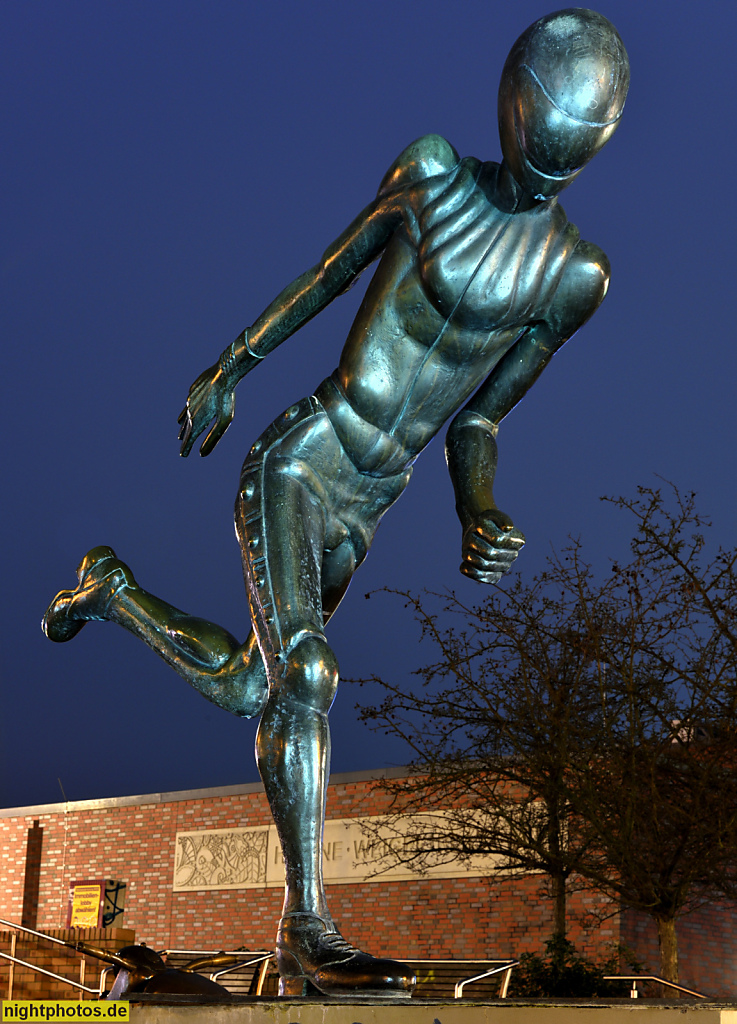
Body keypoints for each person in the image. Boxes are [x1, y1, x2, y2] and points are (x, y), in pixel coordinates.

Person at [43, 8, 629, 1000]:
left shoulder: (571, 276)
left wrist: (475, 509)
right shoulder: (432, 175)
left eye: (562, 166)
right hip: (303, 459)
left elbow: (477, 422)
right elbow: (328, 274)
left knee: (250, 685)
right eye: (534, 149)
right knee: (305, 672)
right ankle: (307, 928)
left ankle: (113, 591)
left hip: (367, 500)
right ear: (511, 116)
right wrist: (231, 364)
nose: (540, 177)